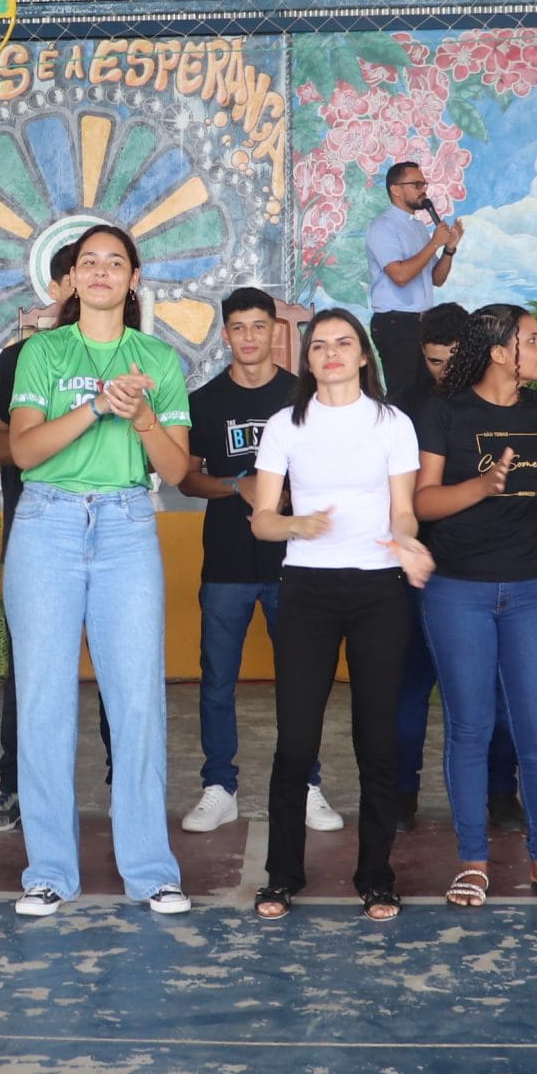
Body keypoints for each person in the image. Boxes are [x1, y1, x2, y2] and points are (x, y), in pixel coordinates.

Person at [4, 223, 193, 918]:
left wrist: (140, 416)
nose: (103, 271)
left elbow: (177, 469)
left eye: (117, 262)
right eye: (90, 261)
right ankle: (49, 870)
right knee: (44, 701)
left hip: (125, 524)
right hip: (46, 525)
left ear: (135, 278)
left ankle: (150, 870)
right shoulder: (43, 351)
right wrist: (94, 407)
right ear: (73, 277)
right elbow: (25, 452)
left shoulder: (158, 359)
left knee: (137, 700)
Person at [248, 309, 432, 921]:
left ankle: (376, 876)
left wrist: (407, 542)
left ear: (362, 355)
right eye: (319, 345)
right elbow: (262, 520)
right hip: (307, 589)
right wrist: (296, 524)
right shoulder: (286, 425)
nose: (331, 353)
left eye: (343, 343)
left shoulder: (392, 423)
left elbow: (403, 510)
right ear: (307, 359)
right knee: (296, 741)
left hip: (379, 591)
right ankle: (282, 876)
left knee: (377, 740)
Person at [415, 302, 537, 906]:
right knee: (470, 727)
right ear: (497, 352)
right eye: (532, 340)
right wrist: (481, 486)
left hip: (531, 588)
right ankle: (473, 861)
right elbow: (423, 502)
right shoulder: (445, 411)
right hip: (457, 590)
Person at [180, 288, 333, 834]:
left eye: (259, 326)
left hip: (296, 562)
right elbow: (186, 477)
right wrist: (234, 486)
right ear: (226, 335)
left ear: (275, 332)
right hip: (226, 564)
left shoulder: (303, 397)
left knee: (301, 681)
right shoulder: (205, 400)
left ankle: (306, 784)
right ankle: (219, 786)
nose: (249, 337)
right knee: (217, 681)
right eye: (239, 328)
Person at [0, 240, 99, 832]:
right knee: (30, 671)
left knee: (119, 671)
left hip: (110, 534)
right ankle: (15, 785)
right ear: (55, 288)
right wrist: (58, 438)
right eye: (77, 276)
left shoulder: (127, 355)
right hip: (35, 531)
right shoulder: (17, 361)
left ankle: (124, 786)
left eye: (102, 271)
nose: (88, 286)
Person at [398, 300, 519, 832]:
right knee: (409, 688)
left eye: (454, 358)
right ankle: (401, 795)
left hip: (485, 568)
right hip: (418, 571)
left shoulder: (503, 405)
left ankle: (501, 794)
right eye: (434, 361)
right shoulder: (402, 409)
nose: (445, 371)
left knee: (495, 691)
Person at [364, 160, 463, 409]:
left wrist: (449, 249)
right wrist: (434, 243)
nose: (423, 190)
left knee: (430, 397)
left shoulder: (418, 227)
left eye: (424, 184)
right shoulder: (382, 226)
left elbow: (437, 279)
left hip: (424, 323)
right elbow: (399, 276)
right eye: (416, 184)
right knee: (404, 398)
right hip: (396, 323)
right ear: (396, 190)